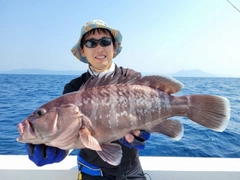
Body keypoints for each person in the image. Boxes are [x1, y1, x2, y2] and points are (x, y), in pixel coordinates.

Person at [25, 19, 151, 180]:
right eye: (91, 43)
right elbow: (72, 134)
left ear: (114, 47)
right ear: (83, 50)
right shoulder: (73, 88)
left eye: (105, 42)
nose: (99, 48)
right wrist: (58, 148)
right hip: (90, 173)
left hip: (131, 173)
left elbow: (151, 111)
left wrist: (144, 130)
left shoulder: (132, 79)